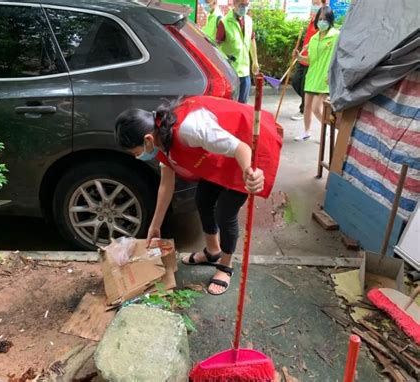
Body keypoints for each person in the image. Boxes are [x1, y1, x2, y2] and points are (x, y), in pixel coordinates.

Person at [115, 96, 282, 295]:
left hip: (247, 142)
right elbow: (166, 186)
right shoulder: (160, 141)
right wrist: (155, 225)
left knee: (225, 211)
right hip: (220, 155)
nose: (137, 157)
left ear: (148, 139)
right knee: (202, 200)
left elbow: (240, 148)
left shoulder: (189, 128)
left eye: (136, 152)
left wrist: (249, 171)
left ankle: (225, 266)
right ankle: (213, 251)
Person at [293, 6, 339, 141]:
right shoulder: (313, 38)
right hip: (312, 76)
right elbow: (310, 59)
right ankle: (306, 132)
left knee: (316, 109)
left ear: (330, 20)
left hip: (325, 78)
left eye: (325, 19)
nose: (322, 22)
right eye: (320, 19)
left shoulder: (336, 35)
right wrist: (298, 57)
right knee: (307, 107)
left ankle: (331, 129)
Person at [216, 0, 259, 103]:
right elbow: (216, 46)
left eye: (246, 5)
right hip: (230, 73)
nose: (244, 8)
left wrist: (255, 61)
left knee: (243, 104)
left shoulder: (248, 21)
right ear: (234, 3)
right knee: (230, 105)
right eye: (241, 5)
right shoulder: (224, 22)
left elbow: (252, 40)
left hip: (245, 71)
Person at [290, 0, 326, 121]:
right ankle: (309, 103)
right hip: (302, 58)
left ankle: (304, 109)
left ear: (323, 5)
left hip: (312, 60)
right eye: (313, 3)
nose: (314, 6)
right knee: (296, 82)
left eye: (316, 4)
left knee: (305, 86)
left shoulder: (323, 23)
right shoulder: (312, 21)